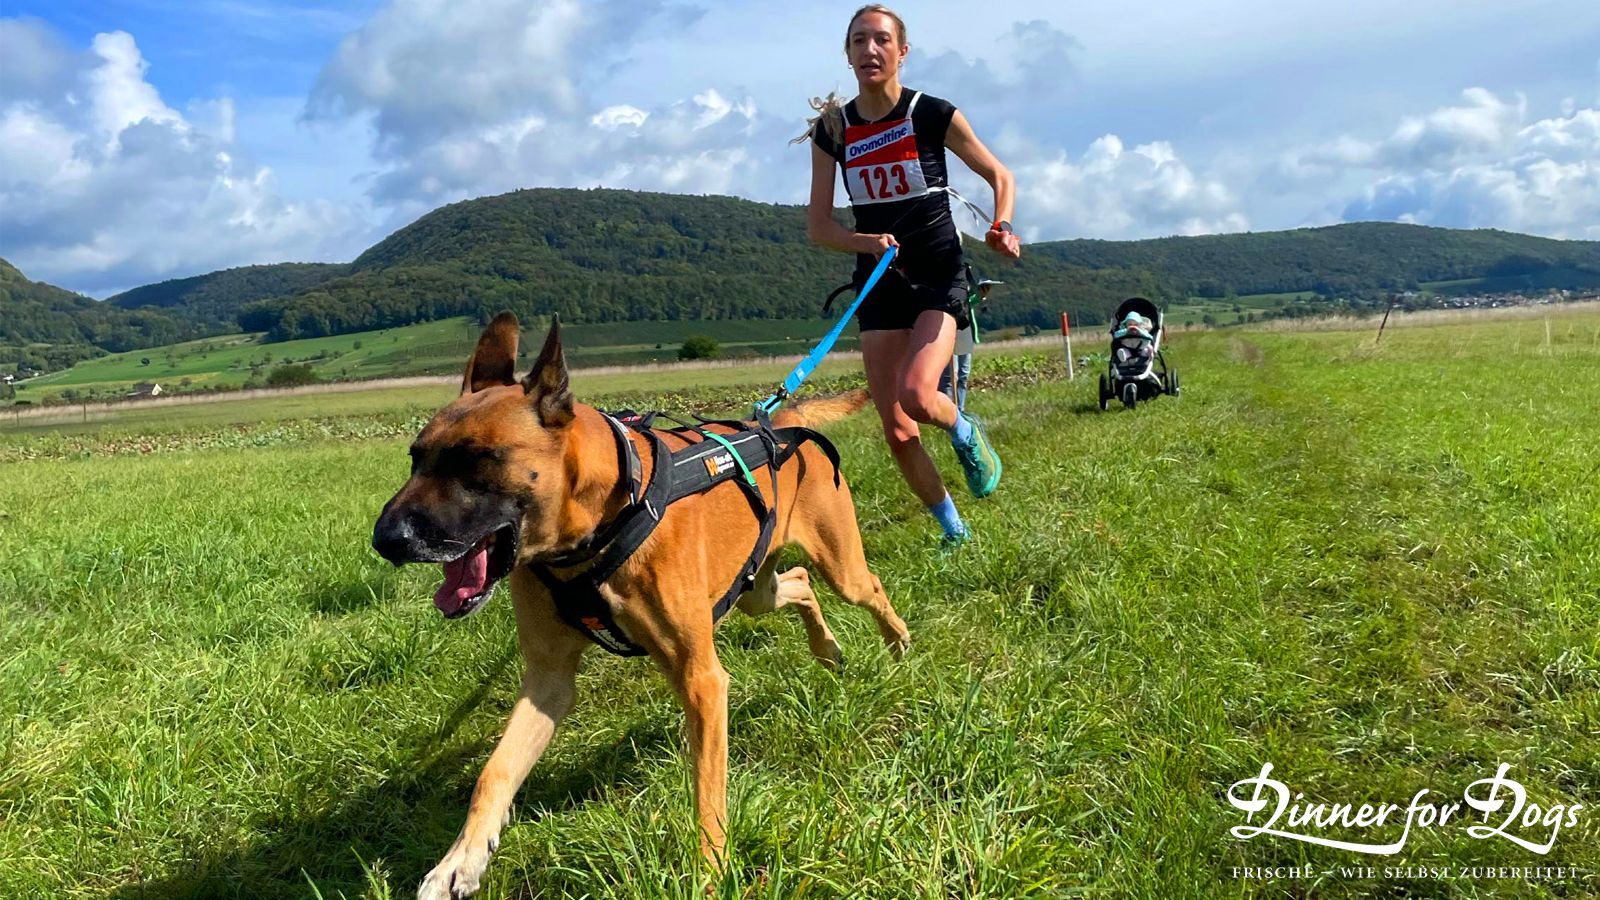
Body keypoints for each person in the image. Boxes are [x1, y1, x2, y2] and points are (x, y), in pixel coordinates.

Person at [801, 3, 1020, 547]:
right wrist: (865, 242)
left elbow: (999, 174)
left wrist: (1002, 225)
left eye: (881, 40)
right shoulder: (833, 130)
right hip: (879, 281)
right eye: (858, 40)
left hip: (939, 273)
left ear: (902, 52)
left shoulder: (931, 113)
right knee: (898, 430)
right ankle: (955, 533)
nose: (869, 49)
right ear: (847, 54)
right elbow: (819, 226)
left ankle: (965, 430)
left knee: (920, 396)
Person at [938, 271, 1003, 411]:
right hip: (947, 330)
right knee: (951, 376)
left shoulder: (965, 275)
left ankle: (960, 410)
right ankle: (949, 412)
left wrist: (980, 295)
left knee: (963, 374)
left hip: (964, 330)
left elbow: (967, 304)